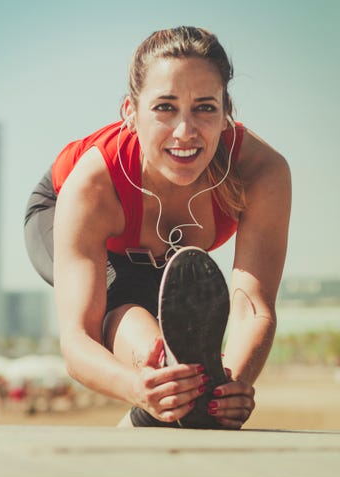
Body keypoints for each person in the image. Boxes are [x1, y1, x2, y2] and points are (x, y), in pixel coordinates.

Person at [24, 26, 291, 429]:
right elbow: (78, 341)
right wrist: (137, 387)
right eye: (165, 107)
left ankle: (156, 405)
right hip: (59, 209)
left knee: (187, 383)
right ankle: (152, 397)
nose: (185, 132)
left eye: (204, 108)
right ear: (129, 112)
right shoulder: (94, 185)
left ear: (225, 111)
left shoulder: (261, 172)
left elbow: (251, 303)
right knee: (133, 321)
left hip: (155, 257)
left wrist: (228, 387)